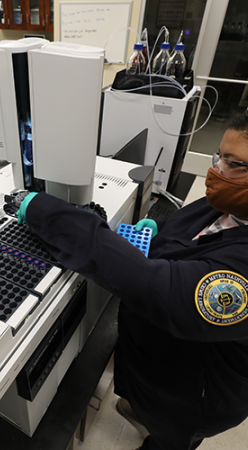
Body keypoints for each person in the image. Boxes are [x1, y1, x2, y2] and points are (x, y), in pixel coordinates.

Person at [16, 110, 248, 450]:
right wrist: (158, 239)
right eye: (219, 157)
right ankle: (142, 409)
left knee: (171, 436)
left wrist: (46, 213)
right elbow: (191, 238)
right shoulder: (231, 206)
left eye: (235, 164)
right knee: (145, 402)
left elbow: (158, 288)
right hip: (161, 360)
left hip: (194, 393)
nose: (217, 171)